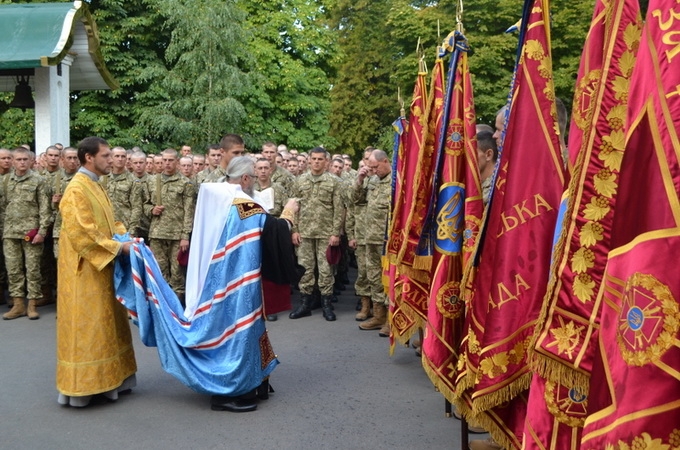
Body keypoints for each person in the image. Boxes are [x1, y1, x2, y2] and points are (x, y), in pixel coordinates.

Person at [182, 155, 301, 412]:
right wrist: (290, 212)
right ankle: (231, 391)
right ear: (245, 178)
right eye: (254, 178)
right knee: (240, 332)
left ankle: (252, 381)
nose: (256, 182)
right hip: (239, 284)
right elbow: (276, 231)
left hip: (219, 279)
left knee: (228, 331)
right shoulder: (244, 206)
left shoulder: (221, 200)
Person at [56, 136, 137, 407]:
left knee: (108, 325)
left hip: (102, 266)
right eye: (105, 156)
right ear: (89, 157)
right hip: (84, 272)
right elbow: (83, 233)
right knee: (89, 329)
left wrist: (126, 238)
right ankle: (87, 388)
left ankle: (113, 382)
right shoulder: (76, 189)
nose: (111, 160)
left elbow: (110, 221)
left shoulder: (96, 185)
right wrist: (119, 248)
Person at [288, 147, 343, 321]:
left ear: (326, 161)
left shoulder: (334, 182)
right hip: (304, 233)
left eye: (321, 159)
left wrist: (336, 233)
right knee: (305, 269)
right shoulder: (299, 181)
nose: (317, 162)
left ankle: (327, 304)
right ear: (309, 160)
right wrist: (294, 230)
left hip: (326, 234)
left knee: (326, 270)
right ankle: (305, 304)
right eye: (314, 159)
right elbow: (293, 207)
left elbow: (339, 209)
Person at [2, 147, 52, 320]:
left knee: (33, 269)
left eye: (25, 159)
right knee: (13, 270)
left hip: (32, 233)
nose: (22, 162)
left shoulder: (39, 180)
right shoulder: (6, 181)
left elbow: (46, 209)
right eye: (18, 159)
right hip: (10, 233)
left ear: (31, 161)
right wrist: (3, 230)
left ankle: (31, 304)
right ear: (13, 161)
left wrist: (42, 231)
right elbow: (2, 207)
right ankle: (17, 305)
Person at [143, 148, 196, 302]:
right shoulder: (152, 181)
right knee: (160, 271)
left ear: (177, 162)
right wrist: (152, 210)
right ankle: (163, 306)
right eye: (164, 160)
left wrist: (185, 235)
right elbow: (145, 205)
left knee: (177, 273)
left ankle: (178, 307)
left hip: (177, 234)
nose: (167, 163)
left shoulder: (186, 183)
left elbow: (189, 211)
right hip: (157, 233)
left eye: (170, 160)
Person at [353, 149, 391, 336]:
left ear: (385, 161)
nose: (374, 170)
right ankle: (379, 315)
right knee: (374, 277)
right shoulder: (372, 180)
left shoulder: (397, 181)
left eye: (376, 167)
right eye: (371, 167)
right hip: (370, 237)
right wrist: (360, 181)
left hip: (388, 239)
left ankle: (392, 319)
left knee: (389, 279)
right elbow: (356, 201)